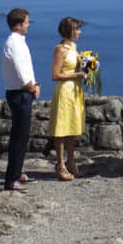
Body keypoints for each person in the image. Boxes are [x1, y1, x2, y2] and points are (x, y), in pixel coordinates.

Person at [0, 11, 37, 190]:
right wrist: (31, 86)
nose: (29, 25)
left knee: (22, 136)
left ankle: (17, 172)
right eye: (27, 22)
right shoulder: (13, 43)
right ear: (19, 24)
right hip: (19, 93)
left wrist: (32, 85)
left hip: (22, 92)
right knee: (19, 137)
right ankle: (11, 179)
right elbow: (20, 70)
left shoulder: (18, 42)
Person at [47, 16, 87, 181]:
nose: (79, 32)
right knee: (61, 129)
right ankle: (60, 165)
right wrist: (77, 74)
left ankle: (71, 162)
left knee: (71, 127)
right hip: (65, 90)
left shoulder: (73, 47)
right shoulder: (60, 49)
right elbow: (55, 75)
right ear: (69, 31)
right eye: (77, 29)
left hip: (75, 91)